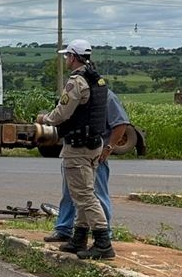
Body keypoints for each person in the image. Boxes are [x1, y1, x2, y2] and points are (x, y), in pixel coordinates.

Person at [36, 39, 113, 260]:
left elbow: (63, 112)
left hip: (77, 147)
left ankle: (102, 242)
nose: (66, 60)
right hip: (94, 145)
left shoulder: (76, 82)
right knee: (82, 193)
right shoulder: (97, 79)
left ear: (73, 57)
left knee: (85, 196)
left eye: (67, 56)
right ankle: (79, 238)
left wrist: (45, 119)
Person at [44, 89, 130, 243]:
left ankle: (104, 234)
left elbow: (120, 123)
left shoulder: (105, 97)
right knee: (69, 193)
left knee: (96, 194)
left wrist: (109, 148)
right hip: (73, 152)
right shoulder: (75, 96)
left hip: (94, 154)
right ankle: (64, 229)